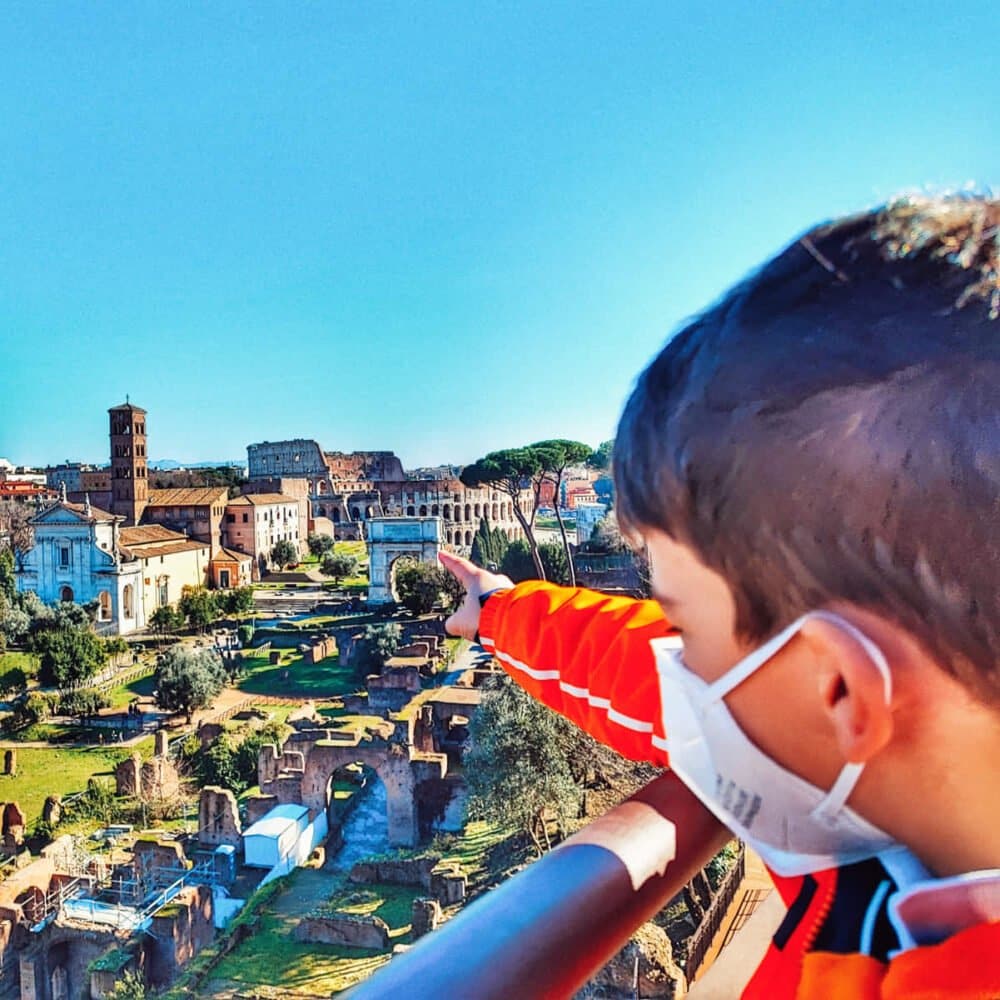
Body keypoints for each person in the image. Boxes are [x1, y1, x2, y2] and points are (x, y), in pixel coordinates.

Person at [441, 194, 999, 999]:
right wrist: (500, 612)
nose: (677, 664)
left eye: (686, 626)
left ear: (838, 688)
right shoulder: (894, 785)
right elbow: (647, 670)